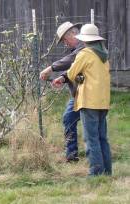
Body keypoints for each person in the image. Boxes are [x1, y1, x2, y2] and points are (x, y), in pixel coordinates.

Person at [52, 24, 112, 176]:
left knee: (90, 138)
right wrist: (82, 76)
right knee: (102, 138)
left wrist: (77, 76)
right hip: (103, 102)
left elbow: (71, 74)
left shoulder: (85, 53)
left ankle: (95, 173)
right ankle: (107, 172)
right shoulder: (104, 55)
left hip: (88, 102)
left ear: (84, 39)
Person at [40, 22, 84, 162]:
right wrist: (63, 78)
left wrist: (51, 68)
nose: (65, 43)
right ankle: (71, 156)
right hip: (78, 94)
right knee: (68, 119)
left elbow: (73, 60)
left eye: (65, 39)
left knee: (92, 127)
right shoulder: (77, 48)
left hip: (87, 94)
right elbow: (74, 68)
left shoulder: (84, 46)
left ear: (73, 34)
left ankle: (97, 162)